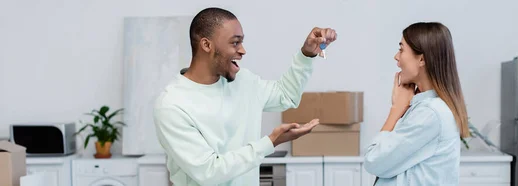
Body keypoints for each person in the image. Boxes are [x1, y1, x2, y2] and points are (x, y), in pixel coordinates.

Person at [153, 7, 337, 186]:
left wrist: (306, 55)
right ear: (206, 45)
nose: (243, 50)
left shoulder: (243, 82)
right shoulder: (172, 104)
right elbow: (209, 171)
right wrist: (270, 142)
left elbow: (285, 95)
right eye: (235, 42)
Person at [363, 22, 470, 186]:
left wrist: (396, 109)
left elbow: (373, 160)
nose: (396, 57)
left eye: (401, 49)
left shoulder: (430, 113)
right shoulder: (427, 108)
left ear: (421, 59)